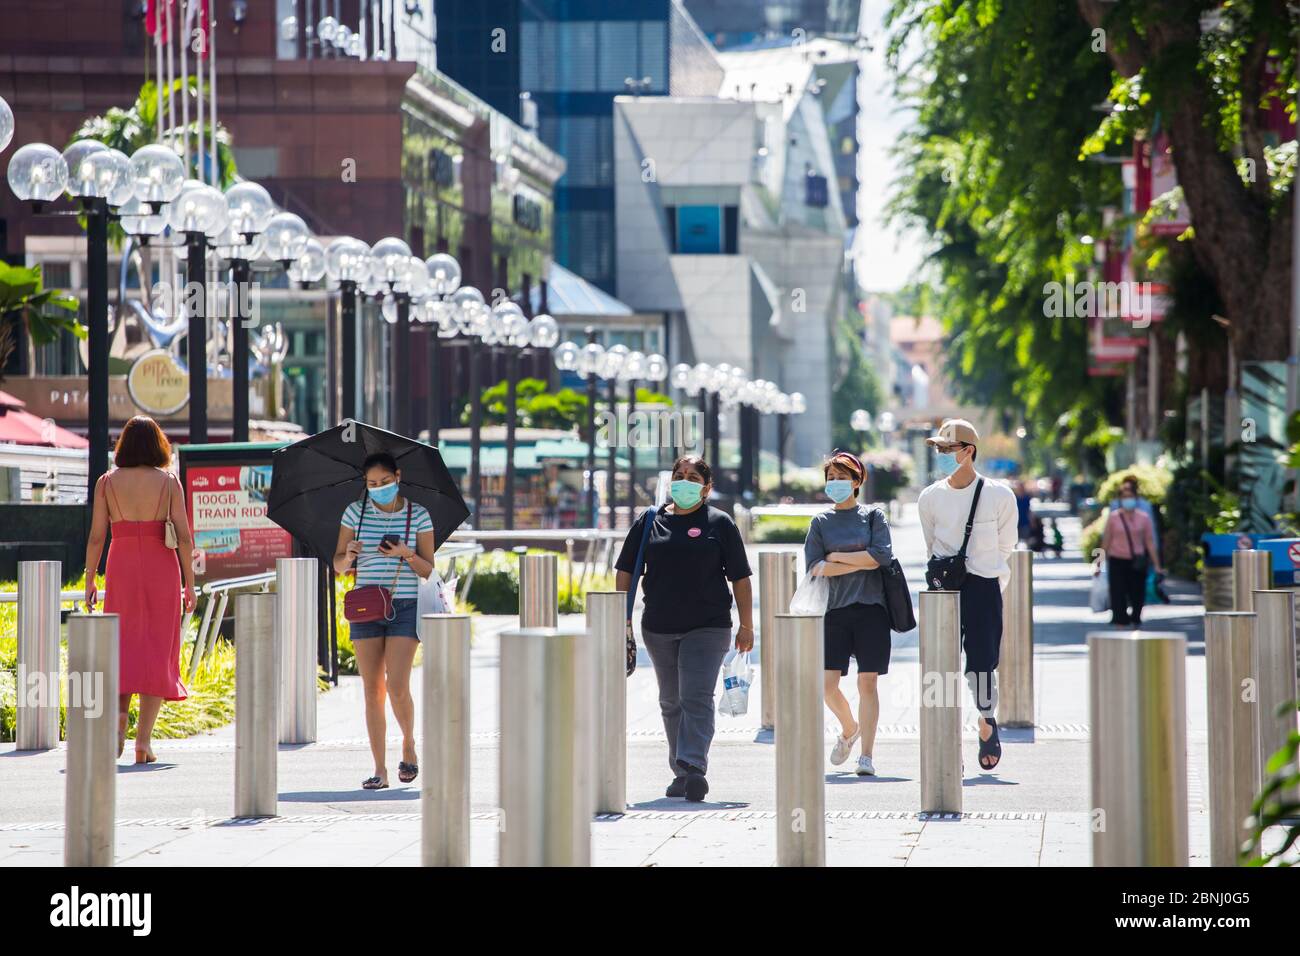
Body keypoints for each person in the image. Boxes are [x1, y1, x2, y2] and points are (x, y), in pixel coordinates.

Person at [615, 455, 753, 802]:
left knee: (695, 696)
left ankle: (693, 767)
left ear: (706, 487)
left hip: (708, 626)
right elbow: (626, 570)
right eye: (679, 475)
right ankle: (681, 771)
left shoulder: (719, 524)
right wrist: (619, 618)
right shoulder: (650, 521)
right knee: (670, 700)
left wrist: (747, 625)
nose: (684, 481)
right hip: (658, 626)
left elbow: (740, 577)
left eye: (693, 477)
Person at [83, 415, 196, 764]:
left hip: (121, 565)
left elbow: (97, 536)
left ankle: (119, 718)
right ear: (158, 445)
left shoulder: (106, 483)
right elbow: (185, 537)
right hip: (161, 566)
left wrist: (90, 578)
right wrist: (190, 583)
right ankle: (143, 741)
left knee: (124, 643)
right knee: (158, 650)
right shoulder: (168, 482)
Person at [333, 452, 438, 790]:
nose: (378, 488)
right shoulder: (355, 511)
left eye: (384, 482)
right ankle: (380, 769)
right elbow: (337, 564)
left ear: (398, 476)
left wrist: (405, 553)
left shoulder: (418, 515)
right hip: (365, 606)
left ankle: (408, 743)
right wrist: (348, 554)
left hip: (404, 606)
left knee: (396, 685)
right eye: (371, 484)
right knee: (371, 689)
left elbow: (428, 569)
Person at [917, 419, 1018, 771]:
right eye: (938, 450)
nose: (942, 456)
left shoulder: (1000, 495)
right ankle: (946, 743)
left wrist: (984, 568)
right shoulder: (930, 498)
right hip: (944, 587)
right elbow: (931, 544)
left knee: (982, 664)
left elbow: (1006, 545)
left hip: (985, 585)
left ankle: (986, 718)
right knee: (940, 669)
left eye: (948, 449)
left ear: (968, 451)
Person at [803, 451, 893, 776]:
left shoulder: (873, 516)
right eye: (831, 478)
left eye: (843, 478)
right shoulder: (820, 522)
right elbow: (814, 567)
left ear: (857, 482)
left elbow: (880, 558)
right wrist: (858, 558)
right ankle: (849, 728)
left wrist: (837, 557)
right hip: (835, 612)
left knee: (867, 683)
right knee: (826, 686)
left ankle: (866, 756)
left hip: (872, 610)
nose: (836, 483)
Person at [1100, 475, 1165, 627]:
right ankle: (1120, 622)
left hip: (1137, 561)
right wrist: (1098, 562)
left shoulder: (1144, 518)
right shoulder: (1114, 518)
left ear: (1136, 498)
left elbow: (1149, 541)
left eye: (1130, 496)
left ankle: (1136, 619)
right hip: (1117, 561)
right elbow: (1106, 541)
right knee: (1118, 594)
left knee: (1137, 594)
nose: (1127, 499)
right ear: (1120, 499)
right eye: (1124, 497)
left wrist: (1156, 564)